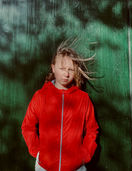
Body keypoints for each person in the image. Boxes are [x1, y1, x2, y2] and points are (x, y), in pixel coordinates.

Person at [21, 42, 99, 171]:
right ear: (53, 68)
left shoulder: (83, 99)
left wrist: (84, 155)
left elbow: (92, 129)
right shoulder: (40, 96)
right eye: (62, 69)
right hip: (44, 166)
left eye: (70, 70)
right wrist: (38, 152)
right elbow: (27, 126)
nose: (66, 74)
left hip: (76, 167)